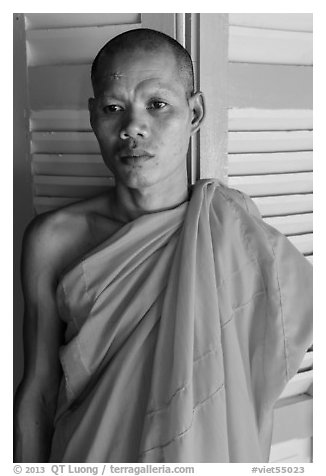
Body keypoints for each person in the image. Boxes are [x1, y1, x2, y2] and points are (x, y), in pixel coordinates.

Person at [14, 28, 312, 463]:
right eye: (115, 107)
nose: (133, 126)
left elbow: (250, 390)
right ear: (93, 116)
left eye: (157, 104)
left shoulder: (236, 236)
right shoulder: (52, 239)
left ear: (194, 113)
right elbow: (38, 392)